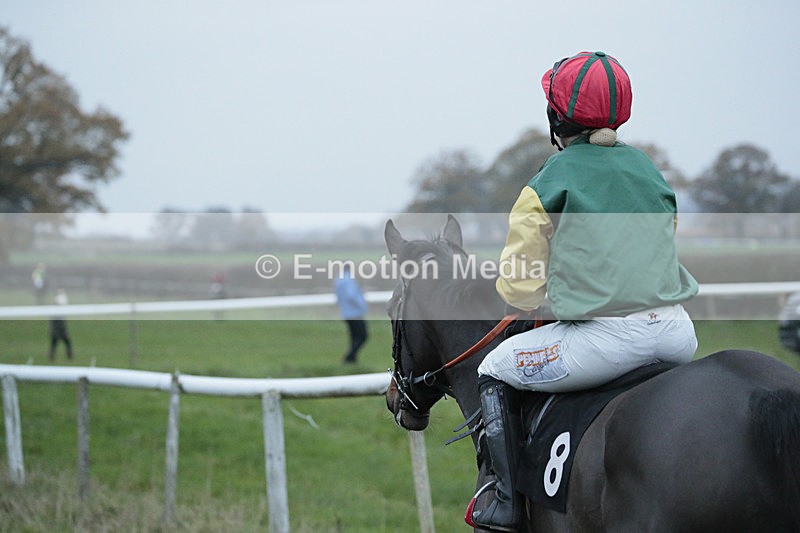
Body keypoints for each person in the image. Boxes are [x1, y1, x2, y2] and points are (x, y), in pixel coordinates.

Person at [468, 51, 699, 531]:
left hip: (606, 342)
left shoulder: (548, 180)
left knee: (492, 368)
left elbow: (520, 287)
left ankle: (504, 502)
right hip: (678, 333)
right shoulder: (648, 170)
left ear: (556, 116)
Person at [334, 264, 369, 364]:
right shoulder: (348, 280)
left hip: (345, 312)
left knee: (354, 336)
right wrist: (361, 305)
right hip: (354, 312)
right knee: (363, 336)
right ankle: (349, 358)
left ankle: (352, 359)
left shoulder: (338, 280)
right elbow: (351, 295)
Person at [49, 288, 74, 361]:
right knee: (66, 343)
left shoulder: (53, 311)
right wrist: (64, 331)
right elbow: (61, 323)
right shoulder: (58, 312)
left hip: (55, 331)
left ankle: (52, 357)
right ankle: (69, 356)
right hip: (59, 331)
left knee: (54, 344)